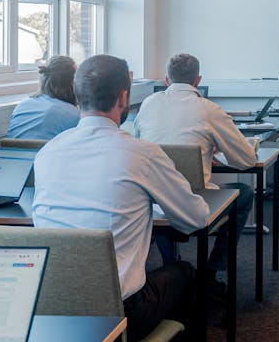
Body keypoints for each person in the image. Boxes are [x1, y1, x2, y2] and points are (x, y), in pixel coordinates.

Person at [32, 54, 210, 342]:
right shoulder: (142, 154)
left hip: (51, 310)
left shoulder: (47, 153)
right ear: (123, 97)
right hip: (121, 312)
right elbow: (197, 218)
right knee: (185, 273)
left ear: (77, 97)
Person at [134, 53, 256, 287]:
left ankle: (172, 264)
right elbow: (246, 160)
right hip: (196, 200)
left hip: (152, 203)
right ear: (198, 80)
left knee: (161, 193)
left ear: (167, 80)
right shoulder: (209, 110)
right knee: (244, 193)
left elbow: (138, 146)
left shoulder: (149, 104)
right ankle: (211, 271)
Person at [7, 56, 79, 140]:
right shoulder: (71, 114)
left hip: (11, 152)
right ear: (71, 83)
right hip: (46, 153)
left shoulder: (22, 106)